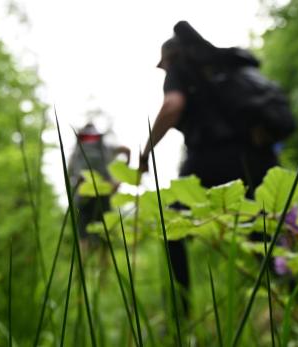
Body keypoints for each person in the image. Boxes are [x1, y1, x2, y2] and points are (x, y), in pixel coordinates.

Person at [139, 21, 284, 314]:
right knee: (266, 237)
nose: (163, 69)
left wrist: (146, 152)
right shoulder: (227, 71)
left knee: (173, 227)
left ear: (172, 56)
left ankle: (180, 316)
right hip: (259, 157)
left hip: (211, 159)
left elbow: (172, 106)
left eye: (163, 63)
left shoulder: (181, 68)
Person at [68, 122, 131, 246]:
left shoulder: (77, 152)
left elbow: (70, 173)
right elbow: (126, 151)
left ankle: (88, 261)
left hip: (87, 194)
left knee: (87, 233)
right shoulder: (105, 148)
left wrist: (119, 180)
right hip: (99, 194)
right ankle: (98, 261)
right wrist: (118, 180)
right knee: (102, 232)